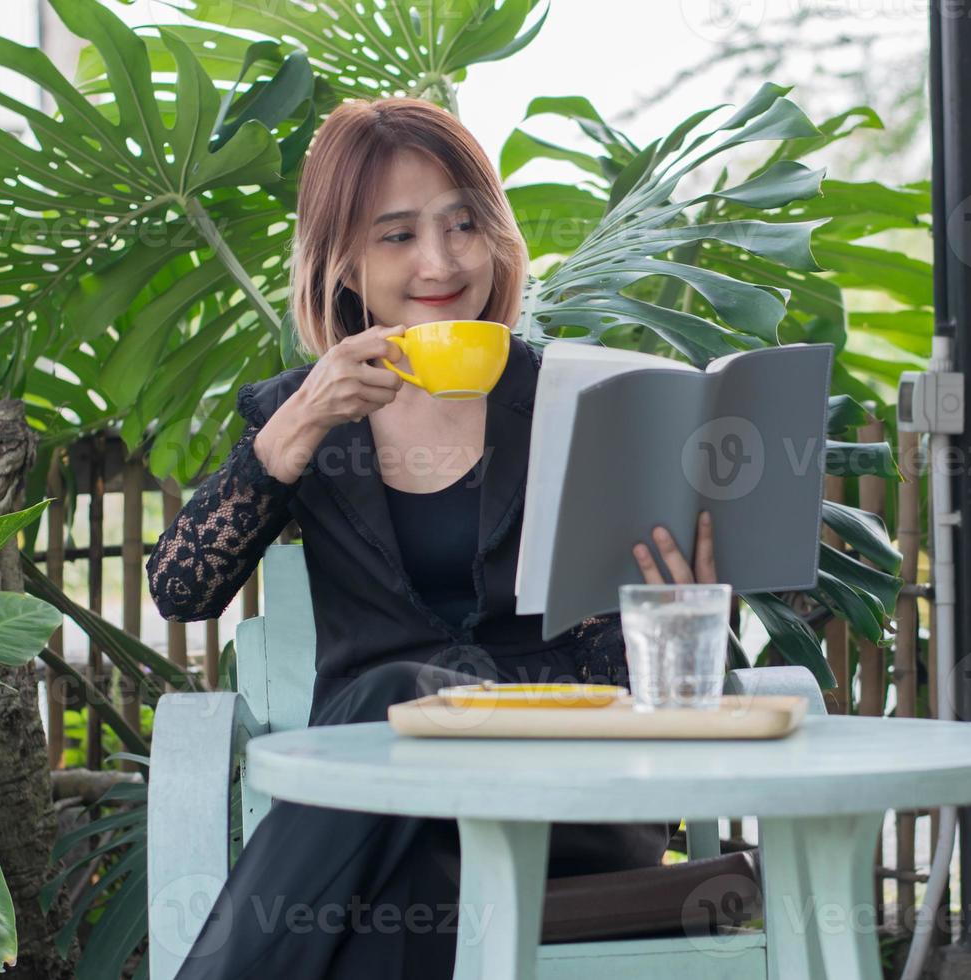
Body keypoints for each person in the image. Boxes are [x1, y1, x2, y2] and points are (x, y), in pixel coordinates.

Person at [146, 95, 720, 980]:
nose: (442, 261)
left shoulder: (575, 406)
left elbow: (620, 683)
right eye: (398, 235)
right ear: (342, 264)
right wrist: (293, 431)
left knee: (403, 697)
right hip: (376, 816)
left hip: (557, 801)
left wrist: (676, 606)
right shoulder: (306, 419)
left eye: (463, 224)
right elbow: (182, 590)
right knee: (399, 872)